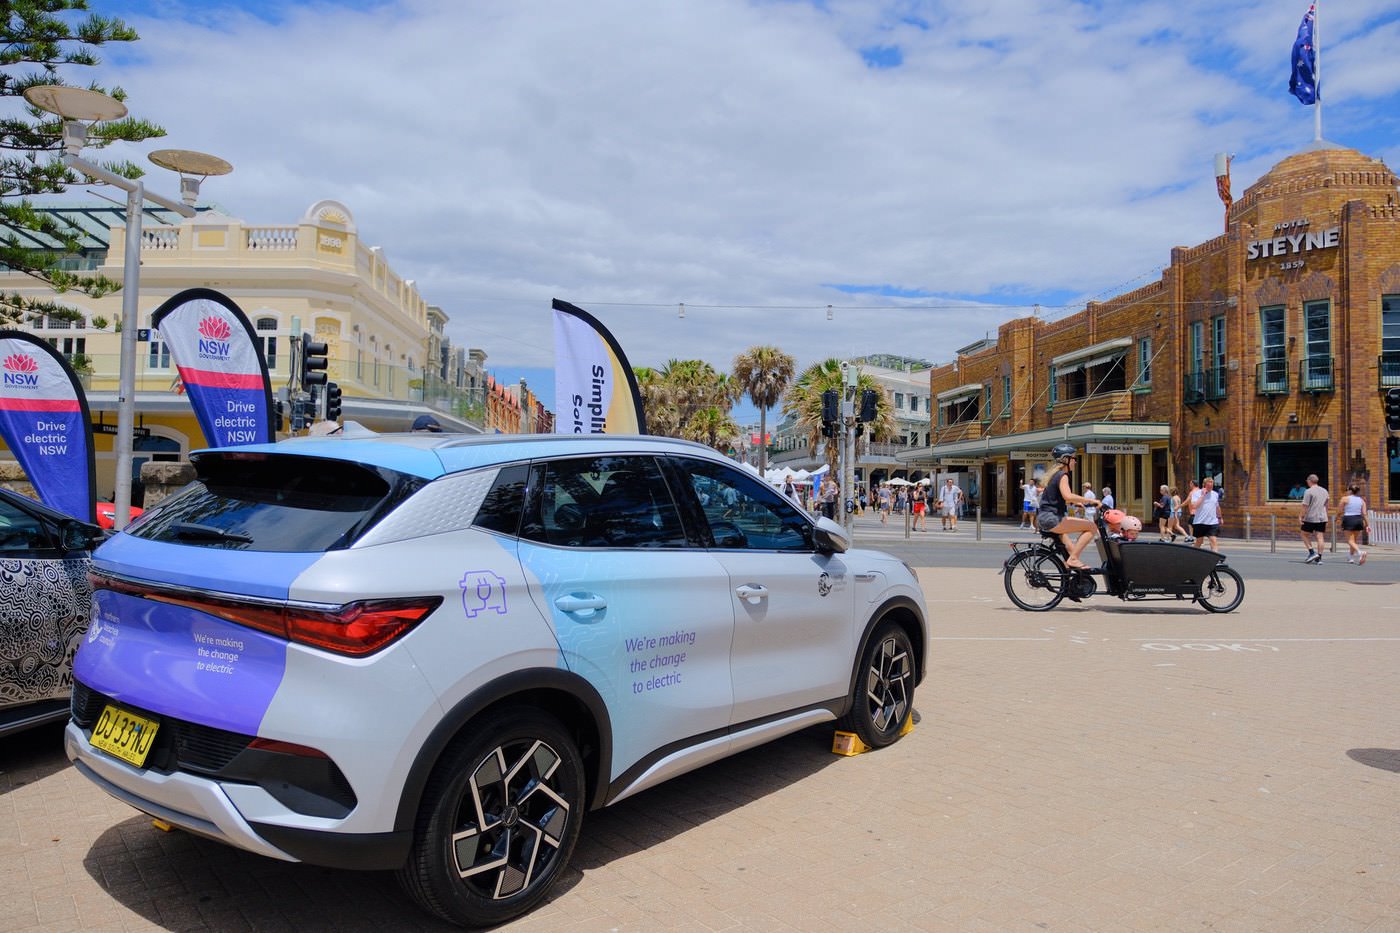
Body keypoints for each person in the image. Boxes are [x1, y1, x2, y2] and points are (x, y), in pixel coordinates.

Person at [1035, 444, 1097, 570]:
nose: (1075, 461)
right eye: (1074, 458)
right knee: (1091, 527)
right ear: (1066, 459)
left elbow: (1055, 498)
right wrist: (1090, 500)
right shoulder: (1062, 475)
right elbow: (1067, 496)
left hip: (1044, 517)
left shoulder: (1054, 475)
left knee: (1071, 549)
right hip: (1053, 519)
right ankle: (1073, 560)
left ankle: (1068, 580)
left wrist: (1075, 503)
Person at [1299, 473, 1329, 564]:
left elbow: (1305, 506)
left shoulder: (1308, 491)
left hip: (1311, 517)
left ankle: (1312, 552)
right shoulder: (1325, 491)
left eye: (1307, 481)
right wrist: (1325, 514)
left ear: (1309, 481)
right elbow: (1326, 505)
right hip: (1322, 517)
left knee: (1304, 534)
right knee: (1320, 537)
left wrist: (1301, 516)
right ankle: (1319, 558)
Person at [1337, 484, 1369, 565]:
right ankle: (1351, 557)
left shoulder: (1345, 499)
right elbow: (1364, 514)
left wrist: (1337, 517)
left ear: (1350, 490)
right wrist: (1368, 525)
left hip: (1349, 519)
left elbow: (1340, 511)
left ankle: (1360, 552)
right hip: (1358, 519)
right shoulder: (1362, 500)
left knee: (1350, 540)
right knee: (1353, 540)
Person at [1190, 476, 1223, 552]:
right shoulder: (1196, 494)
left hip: (1212, 522)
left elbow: (1217, 507)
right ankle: (1192, 556)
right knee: (1199, 542)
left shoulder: (1215, 494)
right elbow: (1194, 506)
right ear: (1204, 485)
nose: (1210, 487)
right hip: (1200, 522)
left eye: (1212, 485)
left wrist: (1220, 517)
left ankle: (1215, 560)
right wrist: (1202, 495)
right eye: (1209, 485)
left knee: (1213, 541)